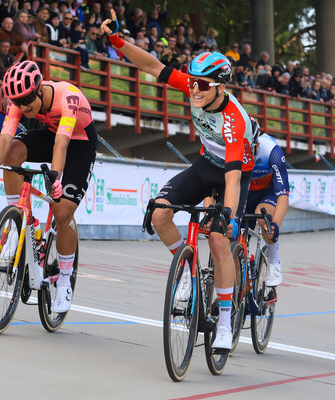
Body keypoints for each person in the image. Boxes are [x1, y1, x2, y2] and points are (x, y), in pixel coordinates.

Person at [101, 11, 255, 351]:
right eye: (193, 83)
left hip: (234, 174)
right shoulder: (194, 84)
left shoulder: (233, 121)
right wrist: (117, 41)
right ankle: (187, 272)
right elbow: (153, 66)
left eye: (202, 85)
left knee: (217, 241)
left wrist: (227, 214)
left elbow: (231, 177)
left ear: (220, 86)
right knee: (159, 214)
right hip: (204, 164)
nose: (194, 90)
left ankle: (227, 323)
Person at [0, 61, 98, 313]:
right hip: (53, 133)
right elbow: (5, 139)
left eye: (28, 99)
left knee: (63, 214)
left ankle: (64, 280)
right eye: (17, 101)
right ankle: (16, 224)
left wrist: (55, 179)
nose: (22, 106)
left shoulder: (67, 98)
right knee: (14, 151)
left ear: (39, 89)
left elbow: (61, 145)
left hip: (79, 142)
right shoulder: (18, 103)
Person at [245, 132, 289, 287]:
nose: (246, 156)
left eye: (249, 151)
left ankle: (273, 261)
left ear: (257, 145)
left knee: (263, 217)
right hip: (244, 192)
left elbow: (283, 195)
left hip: (268, 192)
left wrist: (275, 224)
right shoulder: (227, 149)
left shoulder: (271, 151)